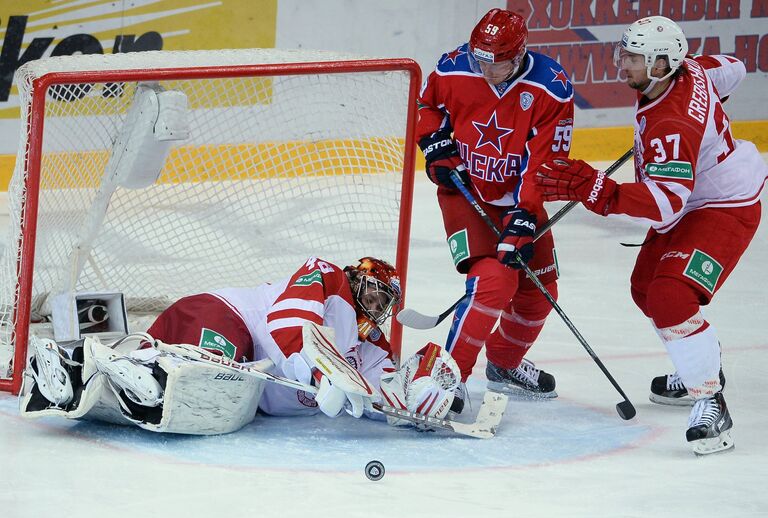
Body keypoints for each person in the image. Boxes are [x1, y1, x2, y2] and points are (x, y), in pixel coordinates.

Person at [535, 16, 767, 455]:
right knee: (644, 289)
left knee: (669, 296)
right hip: (698, 194)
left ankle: (709, 400)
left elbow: (666, 206)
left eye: (634, 58)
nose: (623, 63)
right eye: (625, 53)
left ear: (662, 64)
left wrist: (597, 189)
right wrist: (709, 124)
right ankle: (701, 362)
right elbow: (733, 68)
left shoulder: (672, 124)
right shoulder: (692, 70)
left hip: (725, 206)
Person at [20, 257, 460, 434]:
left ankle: (79, 371)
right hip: (220, 317)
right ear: (356, 278)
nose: (375, 305)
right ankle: (145, 364)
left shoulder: (370, 349)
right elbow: (290, 321)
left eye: (384, 303)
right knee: (216, 371)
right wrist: (323, 371)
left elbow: (382, 397)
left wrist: (421, 396)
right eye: (373, 291)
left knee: (194, 406)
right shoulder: (329, 279)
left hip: (241, 382)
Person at [416, 8, 574, 412]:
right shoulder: (453, 67)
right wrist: (433, 141)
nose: (484, 69)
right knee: (494, 282)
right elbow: (426, 107)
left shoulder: (551, 88)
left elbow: (545, 163)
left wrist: (524, 215)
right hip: (466, 192)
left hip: (523, 197)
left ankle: (503, 363)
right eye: (478, 59)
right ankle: (447, 378)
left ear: (519, 55)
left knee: (539, 295)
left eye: (496, 62)